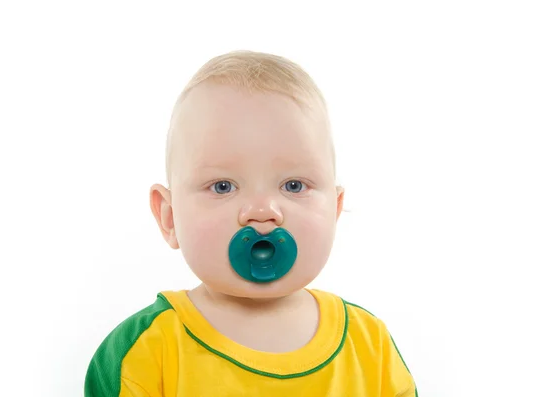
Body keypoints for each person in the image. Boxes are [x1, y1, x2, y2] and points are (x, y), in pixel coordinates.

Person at [84, 50, 418, 396]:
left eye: (294, 185)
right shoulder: (146, 350)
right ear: (169, 217)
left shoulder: (370, 347)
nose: (262, 211)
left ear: (334, 211)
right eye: (223, 186)